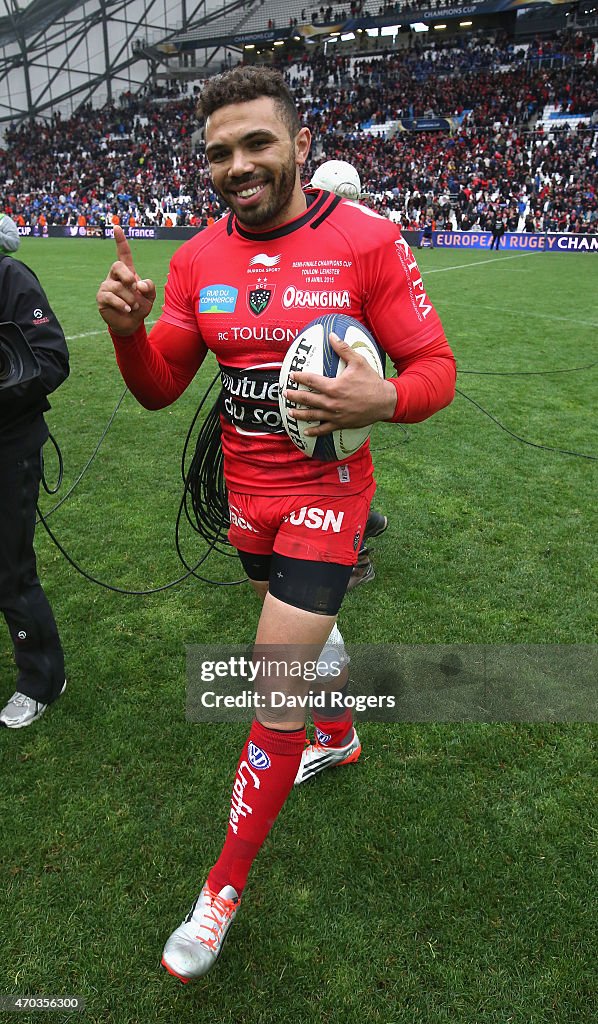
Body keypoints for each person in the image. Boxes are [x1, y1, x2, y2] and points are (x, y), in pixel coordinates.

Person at [96, 66, 456, 983]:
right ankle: (338, 734)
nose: (237, 165)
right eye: (219, 152)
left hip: (327, 500)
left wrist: (387, 400)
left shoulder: (368, 240)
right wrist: (130, 334)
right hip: (243, 496)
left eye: (257, 143)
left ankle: (219, 892)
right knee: (297, 646)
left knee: (272, 681)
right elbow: (158, 391)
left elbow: (436, 368)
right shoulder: (195, 260)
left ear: (300, 145)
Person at [0, 214, 70, 728]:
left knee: (10, 571)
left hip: (9, 447)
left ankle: (42, 679)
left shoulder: (11, 278)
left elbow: (50, 360)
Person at [309, 159, 388, 589]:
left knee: (335, 453)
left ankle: (353, 553)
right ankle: (362, 522)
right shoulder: (371, 225)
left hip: (341, 356)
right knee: (345, 449)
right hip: (352, 354)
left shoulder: (347, 231)